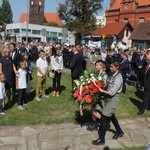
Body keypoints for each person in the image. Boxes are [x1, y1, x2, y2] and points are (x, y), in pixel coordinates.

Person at [92, 62, 124, 146]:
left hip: (113, 99)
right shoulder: (112, 74)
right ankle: (120, 131)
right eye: (110, 66)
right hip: (108, 98)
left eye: (112, 66)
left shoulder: (118, 78)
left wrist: (102, 90)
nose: (110, 68)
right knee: (112, 116)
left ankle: (101, 139)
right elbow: (107, 84)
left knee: (104, 118)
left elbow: (112, 92)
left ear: (117, 67)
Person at [87, 60, 107, 131]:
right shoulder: (96, 73)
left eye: (97, 65)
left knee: (94, 110)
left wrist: (98, 88)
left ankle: (105, 123)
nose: (96, 66)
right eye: (96, 65)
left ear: (101, 66)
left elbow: (104, 85)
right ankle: (94, 123)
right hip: (94, 93)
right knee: (92, 108)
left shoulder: (104, 75)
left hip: (100, 94)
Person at [138, 50, 150, 115]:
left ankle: (142, 110)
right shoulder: (146, 64)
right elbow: (143, 73)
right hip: (145, 83)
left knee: (146, 97)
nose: (146, 56)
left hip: (148, 85)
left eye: (148, 55)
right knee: (147, 97)